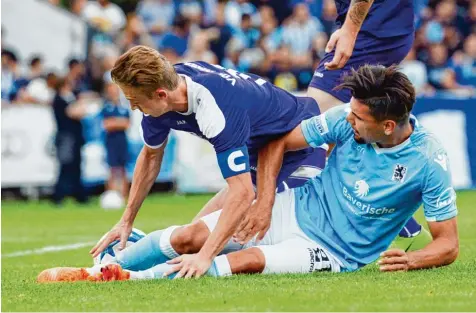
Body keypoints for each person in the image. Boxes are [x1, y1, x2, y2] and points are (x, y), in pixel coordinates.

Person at [37, 65, 459, 282]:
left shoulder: (429, 162)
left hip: (333, 253)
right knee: (190, 235)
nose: (350, 120)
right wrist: (268, 198)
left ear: (389, 126)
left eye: (360, 118)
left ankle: (123, 281)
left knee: (241, 261)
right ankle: (97, 271)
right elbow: (279, 141)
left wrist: (414, 260)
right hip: (294, 209)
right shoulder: (342, 119)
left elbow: (449, 244)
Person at [88, 45, 327, 267]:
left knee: (224, 243)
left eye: (134, 101)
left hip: (299, 152)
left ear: (161, 95)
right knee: (189, 238)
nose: (132, 107)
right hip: (262, 156)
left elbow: (242, 193)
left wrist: (205, 257)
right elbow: (151, 156)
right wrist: (126, 221)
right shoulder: (165, 87)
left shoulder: (214, 107)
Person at [297, 0, 430, 250]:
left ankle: (285, 221)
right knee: (347, 127)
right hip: (380, 26)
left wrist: (350, 29)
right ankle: (403, 223)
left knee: (309, 130)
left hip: (372, 28)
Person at [101, 75, 130, 198]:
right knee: (112, 170)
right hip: (111, 141)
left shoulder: (124, 108)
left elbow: (127, 124)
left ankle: (124, 196)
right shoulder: (106, 107)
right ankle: (111, 195)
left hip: (122, 140)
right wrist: (119, 122)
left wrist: (115, 122)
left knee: (123, 170)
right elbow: (107, 125)